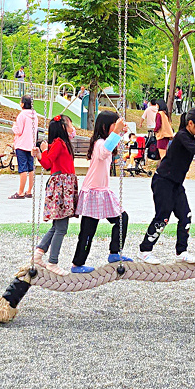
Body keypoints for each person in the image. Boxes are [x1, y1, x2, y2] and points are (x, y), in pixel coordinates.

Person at [139, 106, 195, 264]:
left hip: (176, 184)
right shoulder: (182, 136)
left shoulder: (189, 137)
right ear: (190, 123)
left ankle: (181, 251)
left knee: (185, 215)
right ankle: (145, 250)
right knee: (163, 216)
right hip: (163, 182)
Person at [71, 111, 132, 272]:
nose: (116, 128)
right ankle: (77, 263)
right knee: (88, 231)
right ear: (106, 127)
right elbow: (105, 151)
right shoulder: (99, 143)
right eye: (114, 125)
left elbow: (112, 148)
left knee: (121, 218)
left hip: (102, 191)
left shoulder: (105, 142)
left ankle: (114, 252)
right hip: (93, 191)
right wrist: (117, 131)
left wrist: (121, 131)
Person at [32, 116, 78, 273]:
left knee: (57, 224)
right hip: (61, 187)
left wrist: (41, 154)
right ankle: (52, 262)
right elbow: (48, 164)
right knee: (61, 227)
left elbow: (46, 163)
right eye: (71, 125)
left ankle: (38, 253)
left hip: (64, 185)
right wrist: (43, 152)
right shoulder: (58, 143)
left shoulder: (61, 143)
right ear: (63, 127)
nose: (73, 128)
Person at [10, 96, 38, 199]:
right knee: (31, 168)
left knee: (23, 169)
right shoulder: (35, 115)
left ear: (22, 104)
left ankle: (20, 192)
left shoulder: (22, 115)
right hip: (31, 145)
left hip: (22, 145)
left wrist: (14, 126)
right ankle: (29, 191)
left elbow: (19, 131)